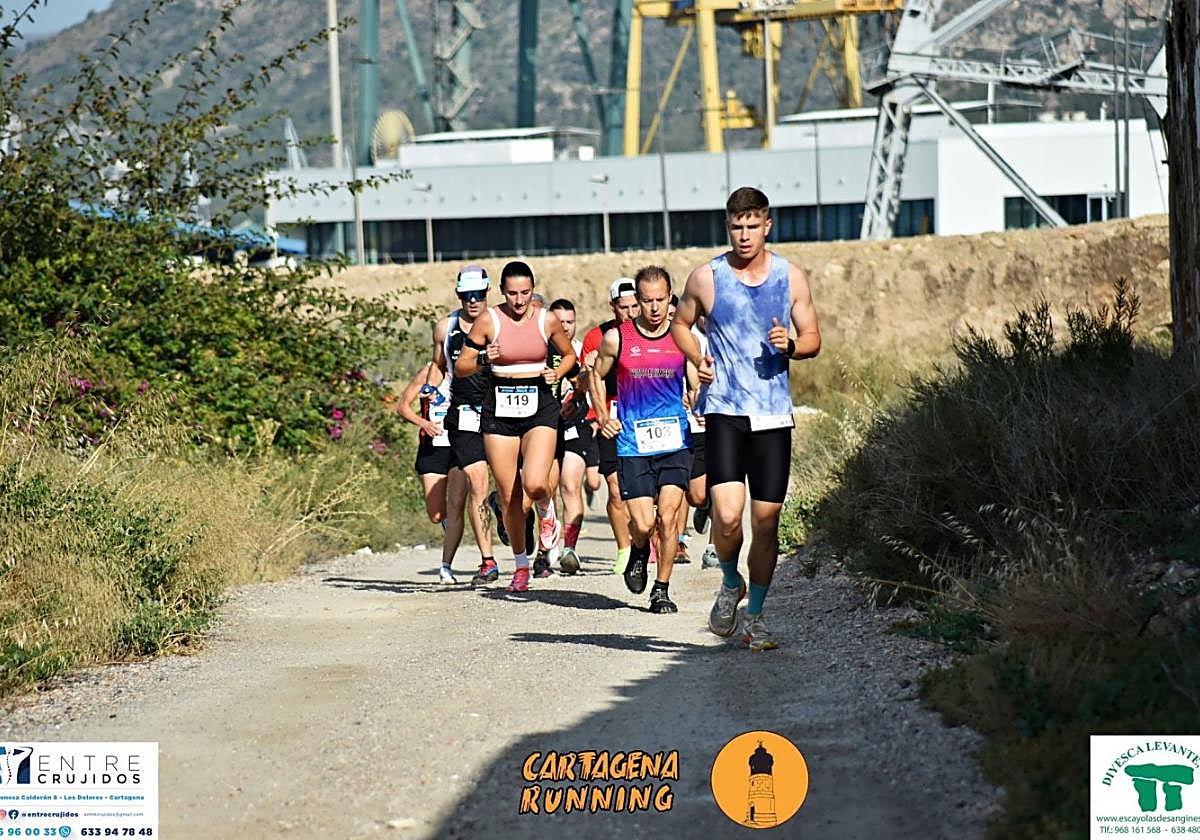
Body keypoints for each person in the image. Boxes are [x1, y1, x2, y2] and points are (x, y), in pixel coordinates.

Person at [671, 186, 821, 651]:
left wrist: (791, 346)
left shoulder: (790, 277)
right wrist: (697, 356)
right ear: (727, 226)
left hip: (773, 417)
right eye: (736, 225)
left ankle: (755, 615)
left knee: (767, 522)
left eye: (752, 225)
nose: (744, 234)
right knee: (729, 516)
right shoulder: (706, 277)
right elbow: (680, 323)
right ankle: (730, 580)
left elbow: (813, 336)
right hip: (725, 411)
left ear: (767, 225)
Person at [455, 261, 576, 593]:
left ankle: (548, 513)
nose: (519, 301)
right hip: (500, 403)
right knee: (509, 495)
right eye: (512, 293)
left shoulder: (546, 318)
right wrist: (483, 358)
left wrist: (558, 373)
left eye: (525, 293)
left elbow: (569, 356)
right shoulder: (489, 320)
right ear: (501, 291)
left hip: (538, 401)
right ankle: (521, 566)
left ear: (533, 289)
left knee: (537, 482)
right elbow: (461, 366)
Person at [590, 266, 693, 614]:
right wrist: (603, 417)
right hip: (633, 443)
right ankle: (637, 548)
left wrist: (698, 396)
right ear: (637, 300)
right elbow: (595, 375)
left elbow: (697, 380)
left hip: (675, 442)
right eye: (646, 301)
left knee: (667, 518)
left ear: (669, 298)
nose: (653, 308)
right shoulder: (617, 338)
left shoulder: (682, 336)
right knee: (645, 524)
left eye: (660, 300)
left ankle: (661, 589)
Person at [432, 265, 499, 585]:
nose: (473, 301)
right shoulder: (446, 327)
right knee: (478, 485)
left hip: (500, 411)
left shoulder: (500, 324)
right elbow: (438, 367)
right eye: (466, 295)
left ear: (488, 294)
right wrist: (428, 399)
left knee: (515, 486)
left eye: (479, 295)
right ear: (458, 295)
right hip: (463, 413)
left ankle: (508, 518)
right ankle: (488, 560)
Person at [580, 278, 640, 574]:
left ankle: (646, 538)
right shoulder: (598, 337)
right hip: (611, 418)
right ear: (613, 307)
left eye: (634, 306)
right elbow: (582, 383)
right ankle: (624, 550)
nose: (629, 313)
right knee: (615, 489)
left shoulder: (651, 333)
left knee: (646, 488)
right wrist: (599, 415)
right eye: (623, 307)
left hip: (644, 415)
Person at [394, 362, 469, 584]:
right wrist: (423, 423)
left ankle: (447, 566)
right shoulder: (428, 372)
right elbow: (403, 406)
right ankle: (451, 529)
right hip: (433, 445)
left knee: (456, 505)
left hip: (460, 445)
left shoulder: (469, 366)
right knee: (436, 514)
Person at [547, 298, 591, 575]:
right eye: (560, 321)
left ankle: (569, 549)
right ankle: (545, 548)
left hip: (574, 424)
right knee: (543, 489)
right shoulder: (540, 348)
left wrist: (582, 386)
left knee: (571, 485)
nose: (565, 327)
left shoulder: (580, 351)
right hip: (544, 425)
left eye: (570, 322)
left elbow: (589, 388)